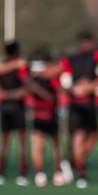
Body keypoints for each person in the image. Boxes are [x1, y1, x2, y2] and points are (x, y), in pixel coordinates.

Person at [59, 31, 98, 188]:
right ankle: (80, 172)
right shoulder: (90, 58)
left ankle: (74, 162)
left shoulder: (94, 58)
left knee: (92, 135)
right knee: (79, 136)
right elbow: (65, 82)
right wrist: (79, 89)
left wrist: (86, 87)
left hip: (86, 104)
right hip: (79, 105)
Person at [0, 41, 31, 186]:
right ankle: (22, 173)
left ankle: (0, 173)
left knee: (4, 141)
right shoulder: (20, 66)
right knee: (21, 141)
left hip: (4, 106)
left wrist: (5, 95)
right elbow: (26, 87)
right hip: (17, 106)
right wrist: (13, 94)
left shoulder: (1, 65)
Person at [28, 52, 66, 187]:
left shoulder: (34, 78)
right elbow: (59, 91)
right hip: (48, 115)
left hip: (39, 114)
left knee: (41, 146)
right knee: (54, 146)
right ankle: (56, 173)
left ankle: (41, 174)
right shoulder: (52, 78)